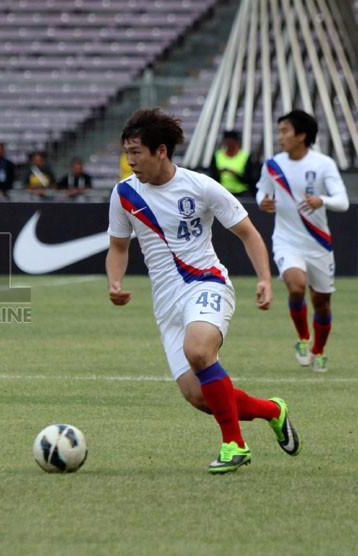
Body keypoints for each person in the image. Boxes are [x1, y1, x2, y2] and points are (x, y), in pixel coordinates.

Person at [106, 108, 300, 474]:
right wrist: (115, 281)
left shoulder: (200, 186)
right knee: (198, 396)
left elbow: (248, 233)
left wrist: (263, 278)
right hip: (166, 305)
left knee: (198, 350)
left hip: (206, 283)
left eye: (136, 152)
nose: (130, 161)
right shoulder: (124, 194)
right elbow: (118, 247)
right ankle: (273, 411)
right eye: (126, 152)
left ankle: (234, 445)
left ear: (160, 151)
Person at [255, 110, 349, 373]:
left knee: (322, 302)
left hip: (318, 243)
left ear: (301, 135)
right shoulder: (273, 164)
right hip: (286, 240)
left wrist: (323, 200)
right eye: (280, 131)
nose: (280, 136)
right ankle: (303, 339)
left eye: (285, 131)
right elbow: (262, 188)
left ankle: (319, 351)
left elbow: (341, 200)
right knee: (296, 287)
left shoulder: (323, 164)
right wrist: (264, 200)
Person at [208, 130, 258, 197]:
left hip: (242, 193)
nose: (229, 144)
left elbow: (250, 178)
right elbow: (212, 176)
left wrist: (236, 175)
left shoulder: (245, 156)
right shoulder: (217, 156)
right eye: (227, 141)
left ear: (237, 142)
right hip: (222, 192)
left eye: (232, 141)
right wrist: (218, 173)